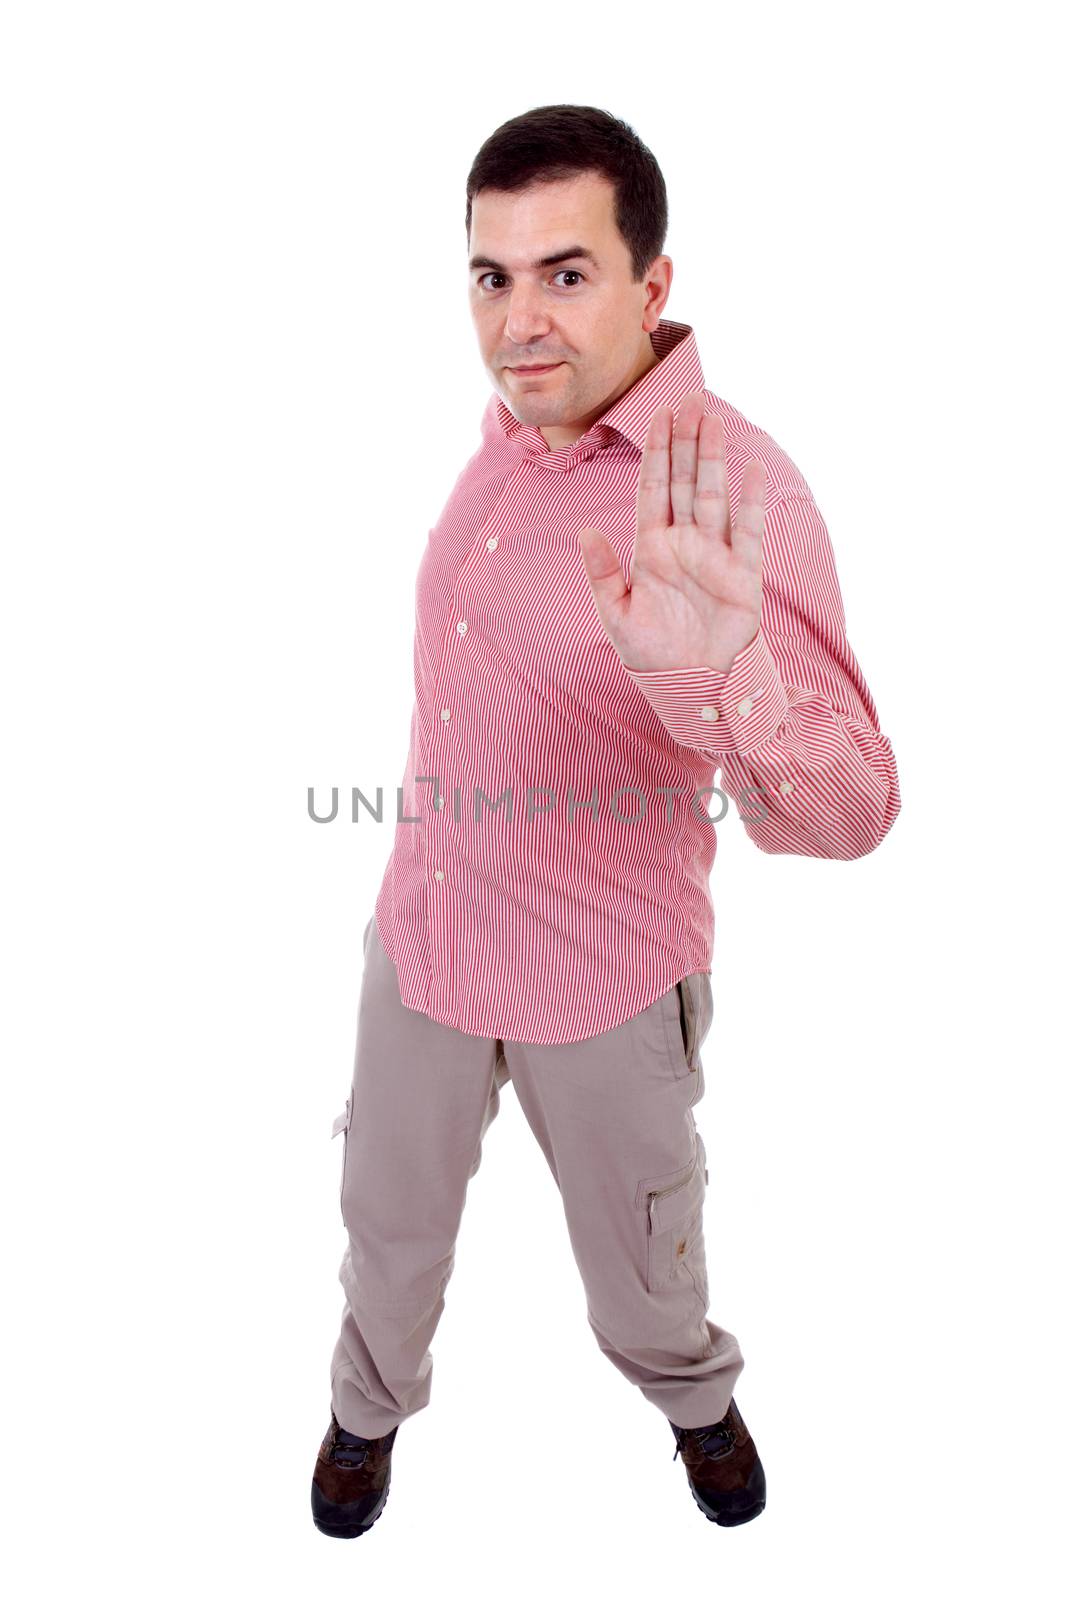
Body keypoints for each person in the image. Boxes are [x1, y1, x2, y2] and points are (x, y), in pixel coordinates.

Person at [311, 103, 901, 1538]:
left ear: (655, 283)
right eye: (490, 277)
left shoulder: (730, 494)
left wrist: (731, 677)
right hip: (430, 943)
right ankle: (363, 1415)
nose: (519, 323)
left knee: (645, 1272)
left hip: (604, 982)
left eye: (565, 274)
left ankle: (696, 1403)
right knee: (387, 1236)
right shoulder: (517, 428)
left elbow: (857, 810)